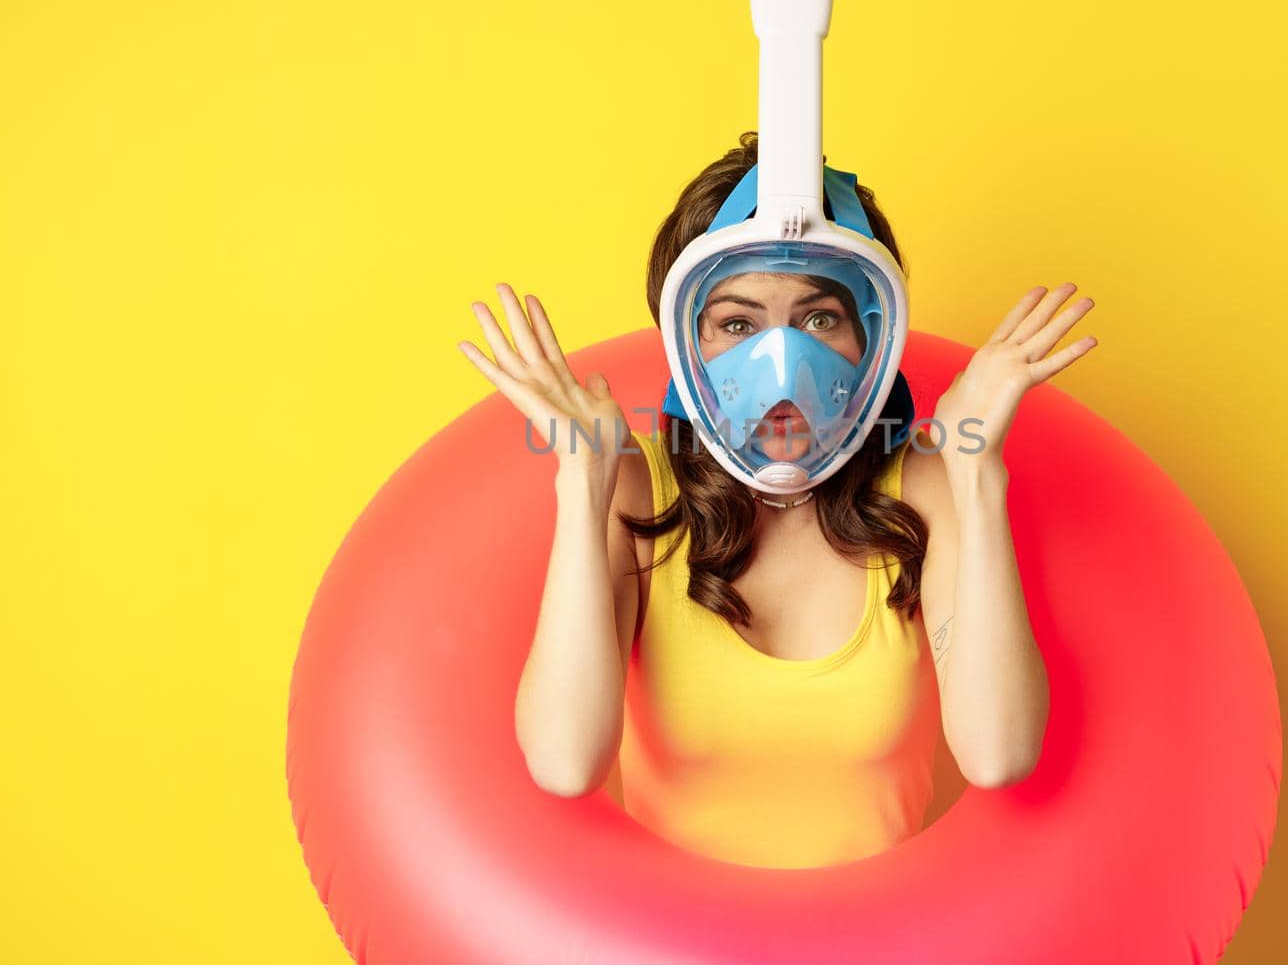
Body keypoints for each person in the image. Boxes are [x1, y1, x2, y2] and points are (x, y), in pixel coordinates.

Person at [459, 133, 1097, 868]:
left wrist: (975, 471)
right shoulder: (638, 486)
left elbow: (1000, 753)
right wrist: (581, 480)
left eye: (820, 318)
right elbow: (565, 762)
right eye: (737, 324)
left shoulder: (920, 487)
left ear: (873, 334)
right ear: (686, 343)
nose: (784, 362)